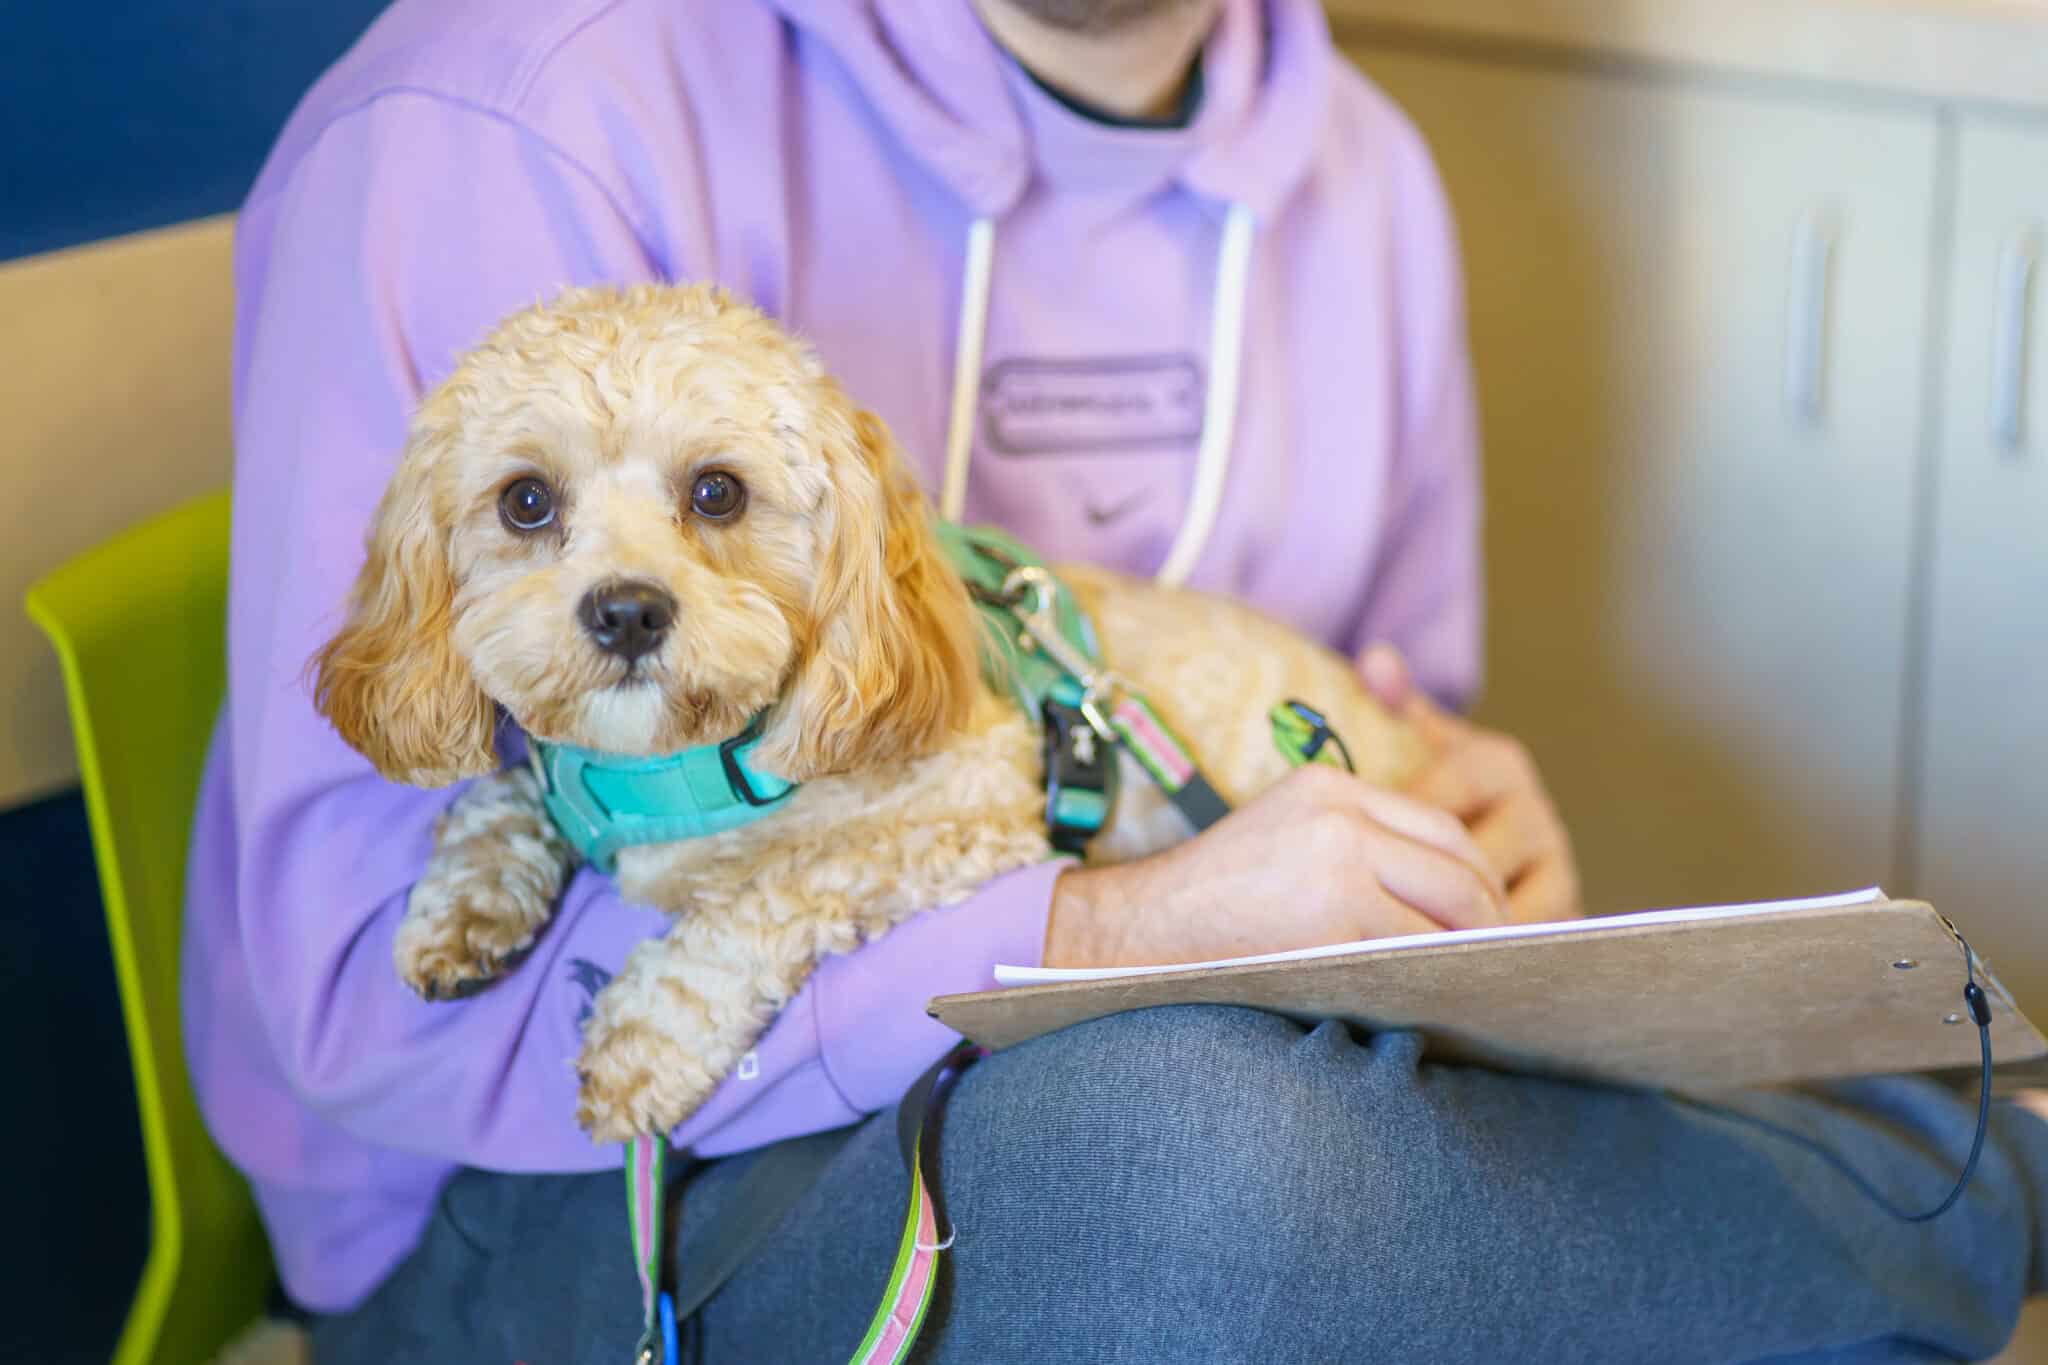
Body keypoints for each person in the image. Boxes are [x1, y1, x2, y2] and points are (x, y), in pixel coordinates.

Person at [184, 0, 2048, 1359]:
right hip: (538, 1206)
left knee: (1310, 1117)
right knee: (1204, 1162)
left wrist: (1453, 824)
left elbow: (1370, 707)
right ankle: (1961, 1193)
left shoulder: (1368, 187)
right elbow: (373, 1004)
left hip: (1216, 1052)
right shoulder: (505, 124)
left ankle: (1897, 1166)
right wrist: (1109, 933)